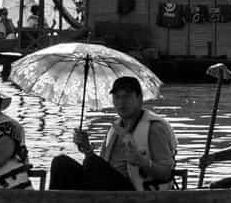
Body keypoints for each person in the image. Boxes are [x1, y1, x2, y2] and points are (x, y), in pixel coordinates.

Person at [49, 75, 178, 191]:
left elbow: (166, 173)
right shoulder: (114, 130)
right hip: (109, 189)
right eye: (117, 97)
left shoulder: (155, 128)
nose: (121, 102)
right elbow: (103, 168)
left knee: (92, 163)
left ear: (139, 98)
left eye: (127, 96)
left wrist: (142, 162)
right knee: (60, 163)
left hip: (136, 195)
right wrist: (87, 149)